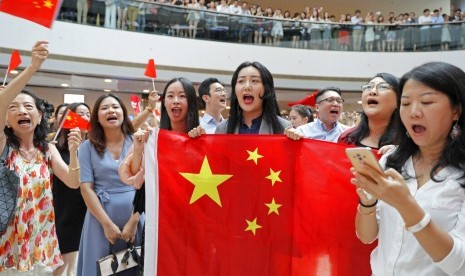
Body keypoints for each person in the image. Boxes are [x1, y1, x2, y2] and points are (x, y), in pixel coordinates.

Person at [352, 62, 465, 275]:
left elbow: (460, 265)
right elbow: (367, 237)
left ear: (456, 111)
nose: (413, 112)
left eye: (427, 102)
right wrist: (367, 201)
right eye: (405, 103)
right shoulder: (391, 161)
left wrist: (406, 205)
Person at [0, 41, 82, 274]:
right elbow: (0, 103)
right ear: (6, 119)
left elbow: (73, 182)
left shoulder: (46, 149)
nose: (22, 111)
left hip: (41, 238)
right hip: (9, 240)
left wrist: (74, 154)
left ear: (38, 116)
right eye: (13, 108)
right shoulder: (3, 145)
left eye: (28, 107)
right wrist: (33, 67)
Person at [118, 77, 199, 271]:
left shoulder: (202, 138)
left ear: (192, 103)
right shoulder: (153, 137)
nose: (175, 101)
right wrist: (139, 148)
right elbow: (135, 178)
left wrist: (202, 142)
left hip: (194, 225)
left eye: (182, 96)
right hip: (159, 224)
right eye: (170, 96)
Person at [77, 94, 144, 276]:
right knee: (100, 268)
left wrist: (133, 220)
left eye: (115, 107)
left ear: (123, 112)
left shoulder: (138, 141)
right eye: (104, 108)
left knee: (136, 266)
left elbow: (145, 184)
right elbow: (86, 188)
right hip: (100, 218)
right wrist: (106, 224)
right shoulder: (87, 147)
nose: (111, 111)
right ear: (97, 117)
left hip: (136, 214)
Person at [189, 61, 290, 137]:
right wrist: (200, 143)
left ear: (266, 88)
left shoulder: (283, 127)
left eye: (254, 81)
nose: (247, 86)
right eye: (241, 81)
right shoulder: (223, 128)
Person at [52, 103, 91, 276]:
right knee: (62, 262)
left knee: (80, 260)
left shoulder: (94, 146)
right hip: (64, 207)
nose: (84, 117)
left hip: (88, 206)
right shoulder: (56, 147)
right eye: (79, 113)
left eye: (87, 114)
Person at [338, 73, 399, 149]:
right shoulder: (347, 138)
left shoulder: (408, 142)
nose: (372, 91)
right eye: (368, 87)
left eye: (383, 87)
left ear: (398, 101)